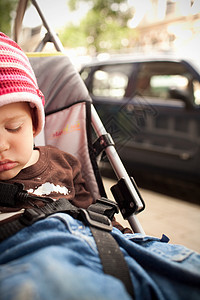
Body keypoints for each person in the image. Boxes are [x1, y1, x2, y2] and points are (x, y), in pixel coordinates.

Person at [0, 32, 200, 300]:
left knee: (186, 265)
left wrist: (125, 237)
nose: (1, 145)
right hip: (36, 252)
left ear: (35, 123)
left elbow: (94, 211)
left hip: (104, 242)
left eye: (13, 127)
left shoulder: (63, 161)